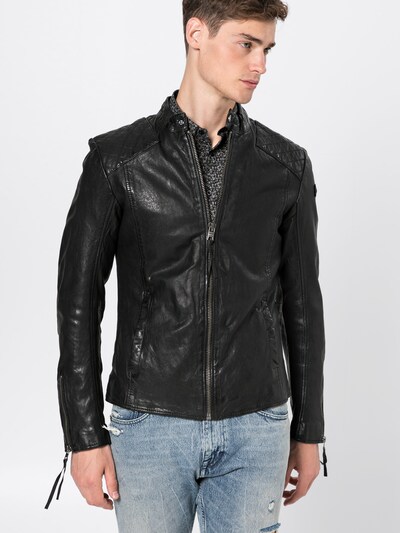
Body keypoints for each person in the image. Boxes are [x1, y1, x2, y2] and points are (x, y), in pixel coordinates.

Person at [45, 1, 327, 531]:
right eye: (246, 44)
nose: (261, 64)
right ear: (197, 33)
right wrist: (83, 435)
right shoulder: (117, 161)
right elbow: (77, 305)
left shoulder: (285, 167)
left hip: (257, 425)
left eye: (267, 49)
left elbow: (303, 308)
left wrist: (309, 430)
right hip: (149, 424)